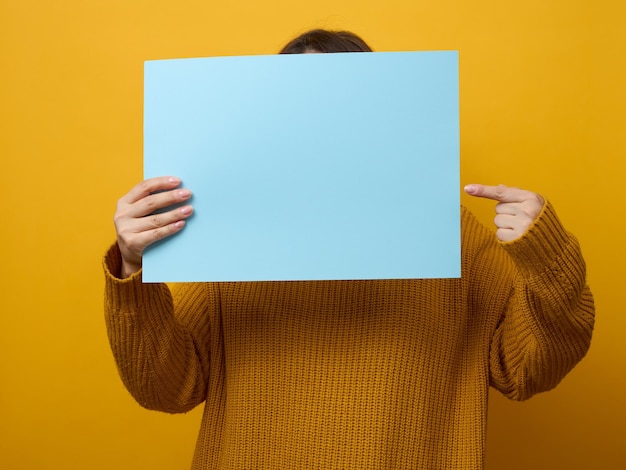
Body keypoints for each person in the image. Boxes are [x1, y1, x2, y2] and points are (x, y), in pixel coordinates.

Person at [104, 29, 595, 469]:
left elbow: (529, 369)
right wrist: (132, 269)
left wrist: (547, 256)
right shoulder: (235, 236)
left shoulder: (452, 231)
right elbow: (166, 388)